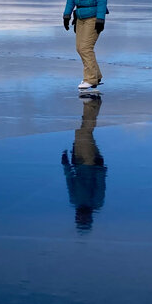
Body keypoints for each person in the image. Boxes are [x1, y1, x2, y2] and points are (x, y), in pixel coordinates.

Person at [62, 0, 107, 91]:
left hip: (93, 17)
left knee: (85, 48)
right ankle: (96, 75)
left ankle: (91, 79)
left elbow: (102, 0)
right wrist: (67, 15)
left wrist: (100, 19)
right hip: (80, 16)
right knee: (79, 48)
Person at [61, 95, 106, 231]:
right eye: (82, 220)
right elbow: (100, 185)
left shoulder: (75, 202)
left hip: (78, 161)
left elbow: (70, 182)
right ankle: (92, 103)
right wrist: (99, 168)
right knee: (84, 133)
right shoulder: (95, 203)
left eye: (78, 220)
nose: (79, 218)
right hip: (90, 163)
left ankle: (94, 103)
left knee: (82, 132)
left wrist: (66, 164)